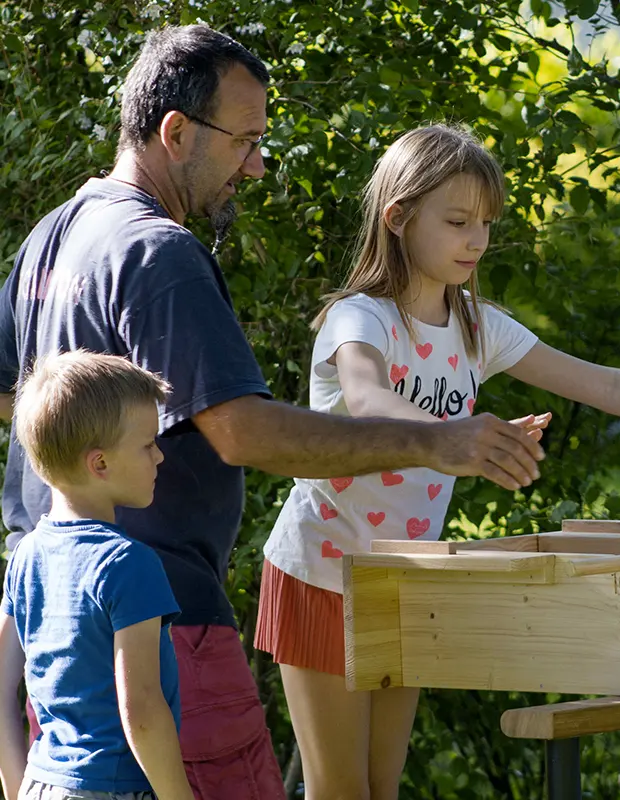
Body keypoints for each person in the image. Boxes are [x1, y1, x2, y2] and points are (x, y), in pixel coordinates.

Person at [0, 25, 546, 800]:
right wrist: (435, 441)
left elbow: (17, 397)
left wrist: (83, 467)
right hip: (164, 625)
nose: (255, 165)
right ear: (176, 132)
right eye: (245, 141)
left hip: (54, 626)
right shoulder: (158, 252)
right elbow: (244, 432)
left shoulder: (53, 236)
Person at [255, 123, 620, 800]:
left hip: (400, 578)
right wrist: (459, 437)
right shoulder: (360, 318)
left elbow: (611, 386)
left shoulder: (476, 325)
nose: (477, 240)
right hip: (321, 569)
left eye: (486, 223)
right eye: (458, 221)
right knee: (341, 789)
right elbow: (366, 399)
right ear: (398, 217)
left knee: (380, 787)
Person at [0, 351, 193, 800]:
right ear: (100, 464)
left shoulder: (26, 556)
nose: (159, 456)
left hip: (41, 784)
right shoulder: (129, 562)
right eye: (148, 444)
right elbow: (141, 710)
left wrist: (17, 788)